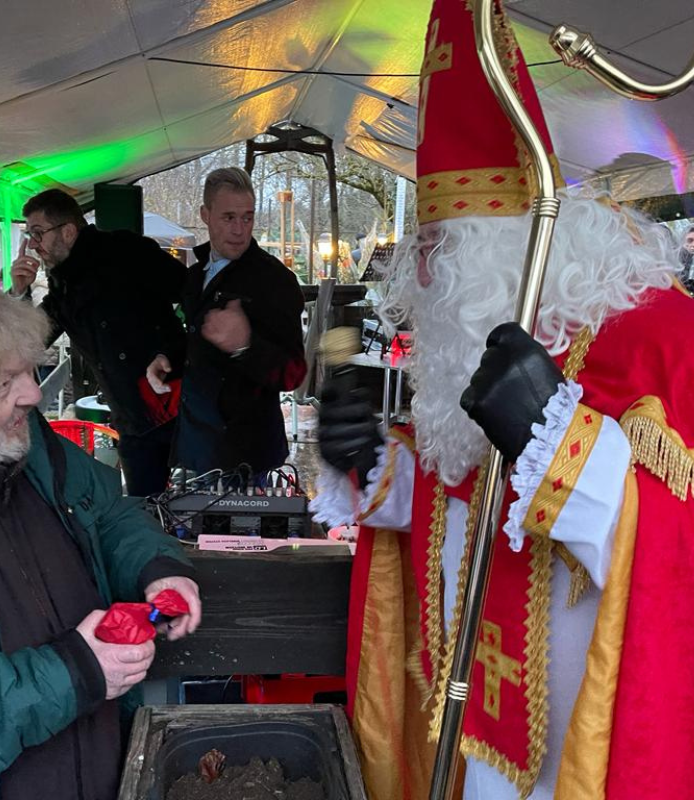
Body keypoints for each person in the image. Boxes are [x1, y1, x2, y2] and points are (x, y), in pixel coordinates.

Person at [311, 1, 694, 798]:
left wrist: (564, 447)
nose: (421, 274)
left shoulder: (660, 335)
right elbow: (461, 498)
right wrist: (374, 465)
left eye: (440, 248)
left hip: (588, 741)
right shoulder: (470, 338)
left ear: (510, 243)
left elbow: (674, 541)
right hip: (477, 727)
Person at [0, 280, 202, 800]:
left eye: (30, 369)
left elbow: (109, 513)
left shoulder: (35, 451)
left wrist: (157, 566)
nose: (34, 393)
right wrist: (74, 671)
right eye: (5, 381)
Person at [10, 188, 187, 496]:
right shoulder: (63, 285)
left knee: (212, 504)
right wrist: (19, 293)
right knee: (145, 510)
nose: (34, 245)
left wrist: (169, 351)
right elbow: (28, 341)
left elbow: (191, 294)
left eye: (38, 234)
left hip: (178, 402)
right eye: (30, 235)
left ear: (67, 232)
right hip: (132, 419)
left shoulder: (127, 251)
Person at [147, 167, 306, 479]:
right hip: (195, 443)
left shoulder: (275, 281)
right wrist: (168, 358)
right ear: (205, 215)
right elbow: (198, 342)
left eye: (247, 217)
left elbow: (293, 374)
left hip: (246, 452)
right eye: (229, 217)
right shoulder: (195, 274)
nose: (239, 229)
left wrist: (245, 345)